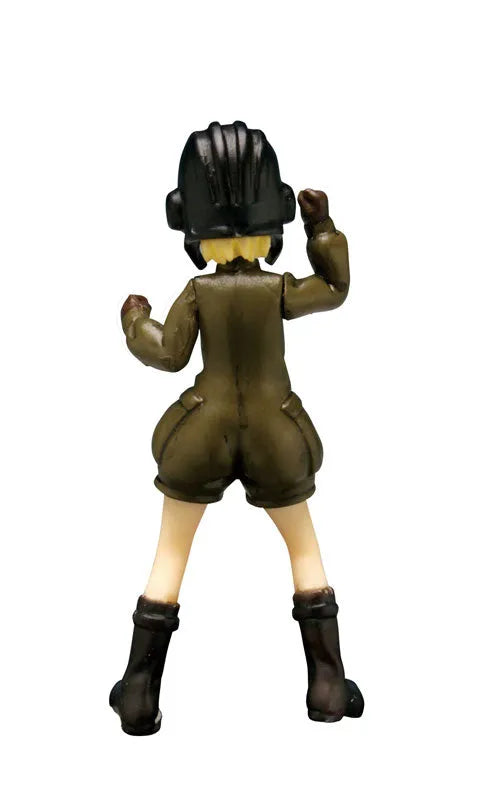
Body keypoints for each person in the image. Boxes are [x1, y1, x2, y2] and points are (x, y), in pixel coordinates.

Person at [110, 121, 364, 735]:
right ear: (275, 217)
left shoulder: (199, 291)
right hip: (277, 434)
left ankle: (139, 691)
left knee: (171, 552)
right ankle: (328, 683)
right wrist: (322, 230)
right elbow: (335, 288)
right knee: (303, 547)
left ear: (188, 223)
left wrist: (134, 319)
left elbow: (167, 353)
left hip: (202, 433)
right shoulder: (276, 288)